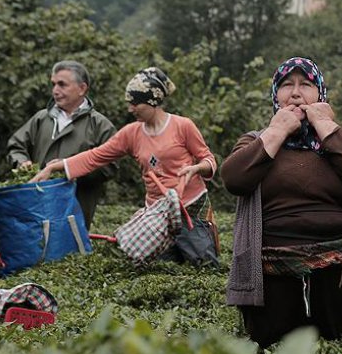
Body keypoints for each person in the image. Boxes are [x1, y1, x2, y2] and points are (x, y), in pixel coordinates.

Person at [220, 57, 342, 349]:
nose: (295, 93)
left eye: (305, 85)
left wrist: (323, 123)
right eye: (286, 85)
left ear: (319, 95)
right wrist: (277, 131)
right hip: (273, 275)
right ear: (275, 96)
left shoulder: (335, 139)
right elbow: (233, 179)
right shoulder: (256, 140)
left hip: (339, 272)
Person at [30, 67, 219, 266]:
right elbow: (96, 156)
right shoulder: (132, 133)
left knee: (203, 264)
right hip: (158, 215)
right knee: (158, 269)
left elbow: (208, 159)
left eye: (135, 103)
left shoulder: (183, 126)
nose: (130, 109)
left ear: (152, 101)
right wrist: (55, 167)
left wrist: (196, 169)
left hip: (190, 207)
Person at [7, 60, 117, 229]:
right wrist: (21, 162)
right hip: (37, 207)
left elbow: (110, 166)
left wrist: (69, 170)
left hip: (75, 211)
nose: (55, 91)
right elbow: (16, 146)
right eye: (53, 84)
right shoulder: (41, 118)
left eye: (62, 85)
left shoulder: (100, 125)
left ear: (82, 88)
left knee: (69, 252)